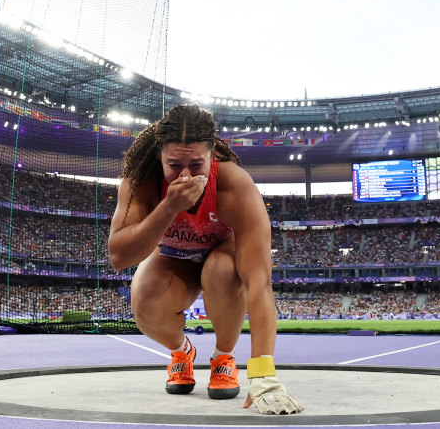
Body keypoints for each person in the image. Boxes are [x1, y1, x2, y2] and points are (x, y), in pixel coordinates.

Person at [108, 104, 303, 415]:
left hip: (221, 252)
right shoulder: (140, 182)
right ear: (160, 156)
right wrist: (169, 206)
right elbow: (119, 256)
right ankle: (181, 353)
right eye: (173, 165)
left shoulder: (233, 184)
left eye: (197, 164)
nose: (185, 175)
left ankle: (224, 357)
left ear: (214, 156)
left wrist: (264, 372)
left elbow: (259, 282)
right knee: (144, 295)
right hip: (173, 257)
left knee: (223, 271)